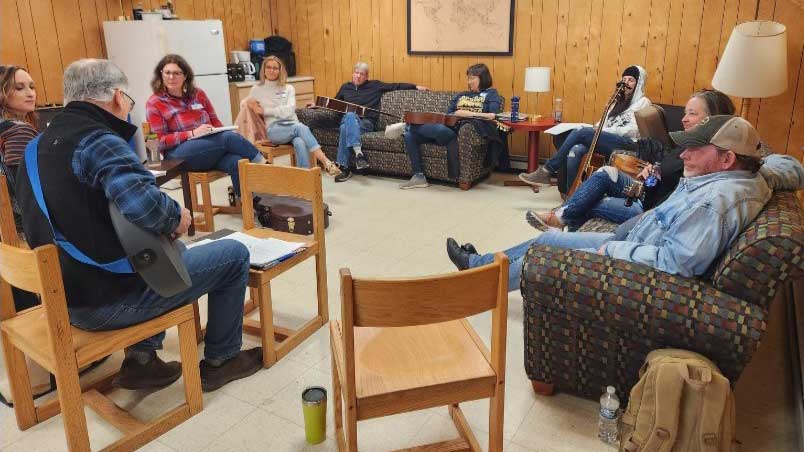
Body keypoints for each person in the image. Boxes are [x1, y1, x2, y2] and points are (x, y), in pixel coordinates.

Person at [16, 59, 263, 392]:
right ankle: (222, 360)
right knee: (232, 254)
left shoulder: (35, 146)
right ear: (118, 97)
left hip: (63, 298)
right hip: (108, 303)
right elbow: (146, 208)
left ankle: (142, 362)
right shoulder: (99, 141)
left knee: (145, 250)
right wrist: (179, 216)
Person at [447, 115, 804, 291]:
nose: (685, 154)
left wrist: (611, 251)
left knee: (547, 244)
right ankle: (480, 266)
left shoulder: (715, 203)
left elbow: (673, 264)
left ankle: (478, 280)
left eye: (695, 148)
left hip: (633, 256)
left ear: (727, 159)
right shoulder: (750, 174)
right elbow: (790, 167)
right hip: (637, 237)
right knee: (552, 234)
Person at [528, 89, 735, 231]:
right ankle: (560, 217)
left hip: (647, 207)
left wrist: (654, 177)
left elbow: (675, 195)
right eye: (685, 113)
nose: (684, 119)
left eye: (692, 114)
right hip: (645, 189)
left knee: (588, 200)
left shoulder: (708, 156)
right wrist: (654, 172)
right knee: (598, 166)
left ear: (712, 119)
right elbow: (669, 173)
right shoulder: (688, 143)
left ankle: (560, 223)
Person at [146, 54, 264, 202]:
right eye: (167, 72)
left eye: (176, 73)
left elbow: (215, 121)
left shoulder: (198, 94)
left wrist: (220, 131)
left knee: (237, 161)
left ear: (185, 76)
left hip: (211, 149)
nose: (171, 77)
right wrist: (191, 133)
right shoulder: (155, 102)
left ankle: (249, 205)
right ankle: (265, 168)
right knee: (228, 138)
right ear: (161, 74)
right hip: (179, 155)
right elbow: (159, 142)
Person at [519, 65, 651, 193]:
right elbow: (605, 121)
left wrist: (602, 131)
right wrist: (597, 126)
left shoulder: (643, 102)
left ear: (639, 83)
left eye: (631, 80)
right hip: (608, 139)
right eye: (624, 79)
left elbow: (632, 130)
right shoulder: (618, 101)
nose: (625, 83)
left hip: (627, 143)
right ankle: (570, 197)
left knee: (581, 133)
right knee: (575, 150)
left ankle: (547, 170)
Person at [399, 63, 503, 189]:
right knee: (410, 136)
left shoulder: (491, 94)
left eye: (472, 78)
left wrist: (467, 114)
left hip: (458, 133)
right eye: (468, 78)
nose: (469, 81)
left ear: (483, 78)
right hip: (449, 128)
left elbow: (493, 115)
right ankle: (419, 176)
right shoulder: (461, 95)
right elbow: (448, 115)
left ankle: (406, 126)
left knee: (428, 129)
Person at [243, 55, 341, 176]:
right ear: (263, 69)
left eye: (275, 68)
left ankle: (303, 179)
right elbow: (245, 104)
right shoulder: (257, 89)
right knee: (301, 128)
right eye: (268, 67)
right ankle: (326, 161)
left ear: (280, 70)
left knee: (300, 141)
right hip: (274, 129)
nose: (271, 70)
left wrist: (266, 111)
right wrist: (253, 106)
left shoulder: (288, 88)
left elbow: (289, 111)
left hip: (292, 125)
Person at [331, 62, 427, 182]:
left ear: (367, 77)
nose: (358, 76)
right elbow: (333, 105)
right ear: (352, 74)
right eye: (356, 73)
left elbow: (395, 86)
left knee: (345, 126)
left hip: (366, 123)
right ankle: (359, 156)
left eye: (362, 74)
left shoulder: (375, 85)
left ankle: (344, 167)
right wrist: (316, 105)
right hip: (350, 121)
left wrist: (415, 86)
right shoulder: (345, 87)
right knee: (348, 120)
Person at [0, 65, 38, 234]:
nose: (30, 93)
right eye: (19, 88)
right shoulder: (19, 131)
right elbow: (26, 186)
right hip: (24, 227)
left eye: (32, 86)